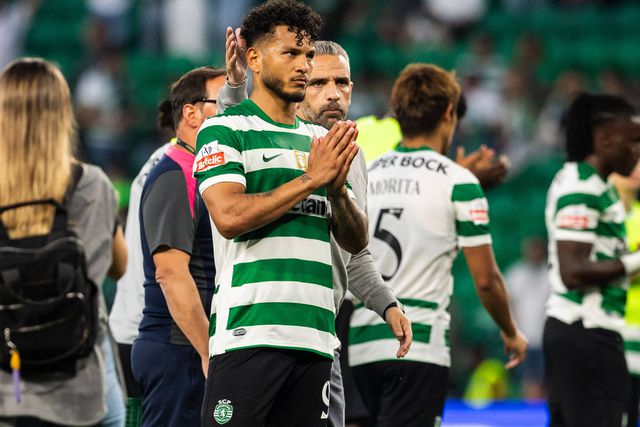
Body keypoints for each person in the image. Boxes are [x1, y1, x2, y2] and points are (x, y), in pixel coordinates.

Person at [218, 33, 412, 427]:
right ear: (298, 84)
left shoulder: (351, 155)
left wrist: (386, 303)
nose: (333, 94)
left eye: (342, 83)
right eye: (319, 83)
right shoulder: (263, 134)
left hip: (321, 335)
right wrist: (235, 87)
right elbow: (234, 128)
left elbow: (353, 251)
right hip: (254, 330)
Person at [193, 1, 370, 425]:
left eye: (307, 54)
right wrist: (310, 180)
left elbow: (356, 240)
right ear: (254, 58)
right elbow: (229, 217)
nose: (303, 65)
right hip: (249, 332)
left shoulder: (320, 141)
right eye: (290, 53)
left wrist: (336, 191)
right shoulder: (225, 128)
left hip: (315, 337)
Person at [348, 63, 528, 427]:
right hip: (419, 343)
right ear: (449, 112)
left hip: (361, 341)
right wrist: (511, 332)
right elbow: (486, 280)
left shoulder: (366, 171)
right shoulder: (458, 181)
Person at [0, 58, 127, 426]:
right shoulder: (92, 184)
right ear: (62, 114)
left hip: (9, 385)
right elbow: (119, 267)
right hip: (78, 386)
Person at [108, 66, 226, 423]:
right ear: (191, 113)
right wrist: (208, 351)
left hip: (167, 336)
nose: (236, 110)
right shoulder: (177, 171)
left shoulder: (194, 165)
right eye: (224, 102)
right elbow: (171, 273)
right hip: (176, 340)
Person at [543, 93, 640, 426]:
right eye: (633, 141)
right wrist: (636, 262)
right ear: (605, 138)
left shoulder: (594, 185)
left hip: (579, 332)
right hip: (587, 330)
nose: (638, 151)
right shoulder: (583, 187)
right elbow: (573, 271)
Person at [505, 236, 551, 399]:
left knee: (547, 380)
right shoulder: (516, 274)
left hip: (546, 337)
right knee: (529, 380)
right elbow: (509, 305)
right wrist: (512, 332)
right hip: (524, 337)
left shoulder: (550, 273)